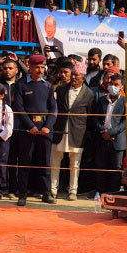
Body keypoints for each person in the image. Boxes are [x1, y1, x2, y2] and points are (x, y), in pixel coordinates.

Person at [13, 53, 57, 205]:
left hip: (44, 130)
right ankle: (22, 195)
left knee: (45, 163)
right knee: (25, 163)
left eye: (42, 67)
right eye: (37, 67)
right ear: (29, 67)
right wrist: (30, 126)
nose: (40, 70)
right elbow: (18, 108)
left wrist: (48, 127)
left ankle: (47, 193)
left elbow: (53, 109)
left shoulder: (48, 85)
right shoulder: (21, 85)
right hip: (27, 130)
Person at [50, 60, 94, 200]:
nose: (74, 77)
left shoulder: (89, 94)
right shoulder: (61, 90)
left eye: (77, 75)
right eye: (73, 74)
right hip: (60, 130)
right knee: (55, 160)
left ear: (83, 77)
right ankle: (52, 189)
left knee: (75, 163)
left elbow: (91, 115)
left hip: (77, 132)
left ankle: (73, 191)